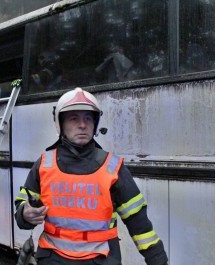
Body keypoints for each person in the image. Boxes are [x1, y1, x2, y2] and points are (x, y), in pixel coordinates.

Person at [14, 88, 168, 265]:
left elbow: (138, 223)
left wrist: (158, 260)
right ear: (60, 123)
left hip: (100, 260)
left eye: (88, 118)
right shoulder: (43, 164)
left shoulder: (113, 168)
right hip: (52, 259)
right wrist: (24, 213)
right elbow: (22, 209)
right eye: (74, 118)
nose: (82, 124)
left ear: (95, 123)